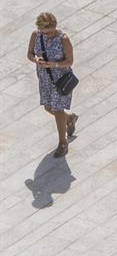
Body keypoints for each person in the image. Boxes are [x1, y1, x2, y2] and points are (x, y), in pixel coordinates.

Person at [27, 12, 75, 156]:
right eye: (45, 33)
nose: (47, 35)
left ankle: (63, 143)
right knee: (48, 107)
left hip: (60, 79)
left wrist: (53, 64)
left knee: (58, 109)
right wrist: (36, 60)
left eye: (50, 32)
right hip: (44, 79)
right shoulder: (36, 36)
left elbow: (70, 61)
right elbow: (29, 54)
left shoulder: (63, 39)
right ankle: (70, 118)